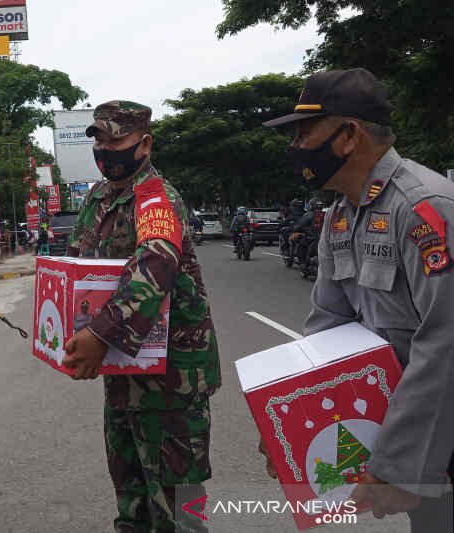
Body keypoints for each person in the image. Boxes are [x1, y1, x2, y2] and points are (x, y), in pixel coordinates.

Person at [261, 67, 454, 532]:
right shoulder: (341, 218)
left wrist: (401, 464)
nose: (296, 147)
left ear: (348, 135)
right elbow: (328, 328)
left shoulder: (425, 209)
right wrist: (290, 424)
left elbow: (445, 345)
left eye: (305, 132)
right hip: (423, 438)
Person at [65, 101, 220, 532]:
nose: (107, 150)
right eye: (101, 141)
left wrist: (99, 333)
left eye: (118, 140)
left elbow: (156, 262)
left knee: (178, 512)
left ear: (145, 144)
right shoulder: (98, 198)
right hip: (123, 375)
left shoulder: (156, 198)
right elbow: (80, 268)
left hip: (172, 382)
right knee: (131, 503)